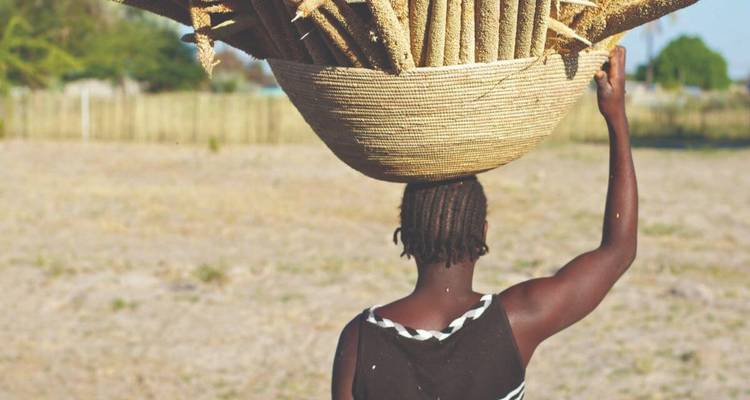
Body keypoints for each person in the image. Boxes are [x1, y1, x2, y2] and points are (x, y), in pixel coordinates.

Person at [332, 46, 638, 400]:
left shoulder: (360, 339)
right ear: (483, 234)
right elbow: (619, 250)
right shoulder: (516, 321)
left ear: (406, 238)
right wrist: (616, 117)